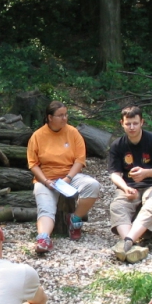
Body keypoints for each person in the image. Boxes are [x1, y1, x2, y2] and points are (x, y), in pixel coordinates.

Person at [26, 101, 100, 254]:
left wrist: (68, 178)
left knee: (92, 185)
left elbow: (80, 160)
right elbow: (33, 164)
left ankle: (75, 220)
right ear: (49, 117)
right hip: (46, 179)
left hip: (70, 176)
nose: (64, 118)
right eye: (60, 116)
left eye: (66, 115)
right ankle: (44, 238)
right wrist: (45, 181)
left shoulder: (73, 132)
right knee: (45, 207)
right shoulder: (37, 136)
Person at [108, 106, 152, 263]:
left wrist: (146, 173)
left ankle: (127, 241)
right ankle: (132, 244)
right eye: (128, 124)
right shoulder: (117, 145)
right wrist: (125, 187)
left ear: (142, 122)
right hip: (129, 188)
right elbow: (114, 174)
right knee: (117, 206)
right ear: (122, 124)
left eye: (135, 123)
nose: (132, 127)